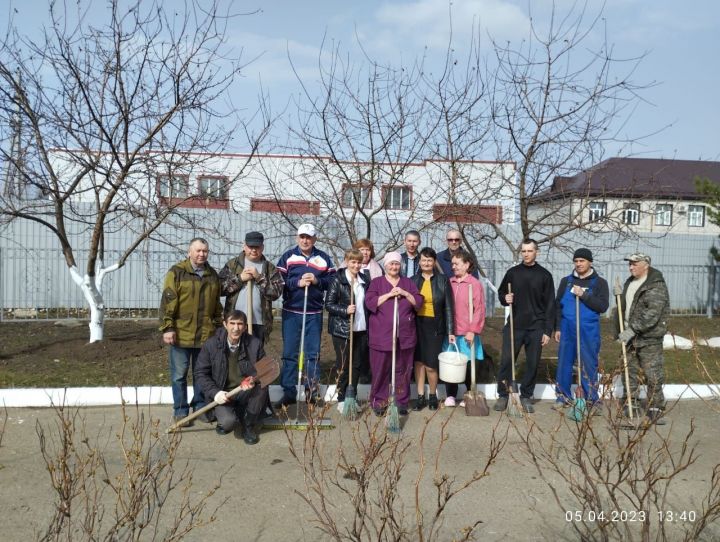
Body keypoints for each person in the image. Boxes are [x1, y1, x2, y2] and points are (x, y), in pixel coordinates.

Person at [159, 238, 223, 426]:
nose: (201, 254)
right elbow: (168, 302)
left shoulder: (212, 275)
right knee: (179, 374)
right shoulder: (177, 272)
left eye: (205, 251)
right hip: (181, 334)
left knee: (201, 374)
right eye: (198, 250)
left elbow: (217, 306)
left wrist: (219, 328)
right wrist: (168, 328)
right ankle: (180, 410)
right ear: (189, 252)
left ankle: (200, 407)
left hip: (205, 336)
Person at [274, 224, 335, 407]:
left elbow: (332, 281)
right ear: (297, 238)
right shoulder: (288, 257)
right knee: (290, 353)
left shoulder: (323, 258)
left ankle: (312, 391)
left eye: (308, 237)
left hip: (314, 312)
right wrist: (297, 282)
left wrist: (317, 280)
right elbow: (279, 281)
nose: (305, 240)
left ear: (314, 239)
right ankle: (289, 391)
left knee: (312, 354)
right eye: (302, 237)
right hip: (292, 311)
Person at [495, 239, 555, 414]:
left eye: (530, 251)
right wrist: (505, 299)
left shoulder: (545, 275)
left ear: (537, 252)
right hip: (515, 324)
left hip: (536, 326)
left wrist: (547, 330)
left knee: (532, 363)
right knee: (506, 361)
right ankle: (503, 395)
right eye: (524, 251)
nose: (526, 254)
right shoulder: (513, 273)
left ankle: (526, 395)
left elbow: (550, 305)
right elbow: (501, 292)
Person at [194, 310, 268, 444]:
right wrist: (215, 393)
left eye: (240, 324)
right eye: (232, 323)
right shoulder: (211, 345)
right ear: (225, 324)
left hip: (244, 391)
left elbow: (265, 372)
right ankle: (229, 417)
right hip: (224, 394)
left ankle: (249, 426)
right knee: (228, 422)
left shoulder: (255, 344)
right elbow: (200, 373)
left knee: (262, 388)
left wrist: (253, 378)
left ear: (245, 327)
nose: (235, 328)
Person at [365, 251, 423, 416]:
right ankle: (379, 401)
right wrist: (389, 294)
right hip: (381, 336)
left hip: (404, 336)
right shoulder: (377, 283)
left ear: (401, 266)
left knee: (402, 370)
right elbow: (370, 303)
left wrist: (405, 293)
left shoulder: (408, 283)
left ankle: (401, 401)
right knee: (380, 370)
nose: (394, 266)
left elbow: (418, 302)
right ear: (385, 265)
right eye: (391, 263)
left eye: (397, 264)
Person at [617, 253, 670, 424]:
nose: (631, 267)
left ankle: (655, 407)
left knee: (652, 373)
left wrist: (632, 329)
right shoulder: (630, 282)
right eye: (629, 264)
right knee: (629, 371)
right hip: (629, 336)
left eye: (634, 264)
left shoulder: (655, 285)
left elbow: (652, 314)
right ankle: (630, 403)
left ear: (645, 265)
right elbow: (625, 308)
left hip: (649, 337)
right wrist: (618, 297)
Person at [553, 248, 609, 409]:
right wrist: (557, 327)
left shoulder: (599, 283)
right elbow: (558, 306)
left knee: (588, 364)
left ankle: (591, 398)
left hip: (588, 330)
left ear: (590, 262)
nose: (578, 264)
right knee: (564, 362)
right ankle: (563, 397)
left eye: (582, 261)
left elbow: (602, 306)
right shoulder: (566, 281)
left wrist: (584, 296)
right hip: (567, 329)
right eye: (576, 261)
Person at [218, 231, 284, 344]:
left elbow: (276, 293)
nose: (254, 250)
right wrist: (240, 279)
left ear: (262, 247)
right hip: (234, 322)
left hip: (259, 323)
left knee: (255, 357)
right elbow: (219, 288)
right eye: (250, 246)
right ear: (244, 246)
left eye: (257, 247)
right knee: (234, 355)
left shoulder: (269, 268)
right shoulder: (233, 265)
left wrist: (259, 278)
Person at [325, 249, 370, 412]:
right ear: (346, 261)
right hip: (343, 329)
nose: (356, 265)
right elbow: (328, 304)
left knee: (357, 364)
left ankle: (352, 395)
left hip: (361, 327)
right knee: (344, 364)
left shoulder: (364, 279)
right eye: (353, 262)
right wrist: (345, 310)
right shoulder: (338, 279)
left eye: (359, 262)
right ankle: (342, 397)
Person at [411, 247, 454, 411]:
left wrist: (451, 331)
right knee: (419, 363)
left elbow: (449, 307)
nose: (426, 263)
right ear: (419, 262)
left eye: (429, 260)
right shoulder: (413, 280)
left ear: (434, 262)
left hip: (436, 326)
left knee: (431, 364)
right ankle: (420, 396)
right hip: (416, 325)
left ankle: (433, 395)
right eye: (423, 260)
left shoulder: (443, 280)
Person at [445, 250, 486, 406]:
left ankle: (469, 393)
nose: (453, 267)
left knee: (468, 364)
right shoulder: (449, 282)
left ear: (467, 264)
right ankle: (450, 395)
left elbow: (479, 309)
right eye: (452, 264)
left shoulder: (474, 284)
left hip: (467, 332)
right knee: (451, 364)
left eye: (457, 263)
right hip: (452, 332)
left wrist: (473, 330)